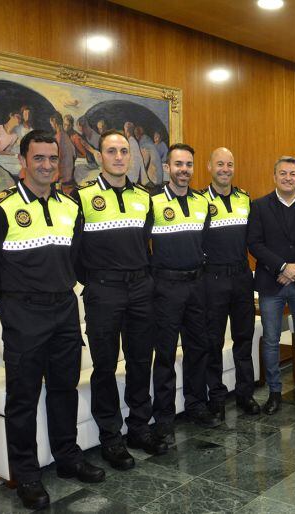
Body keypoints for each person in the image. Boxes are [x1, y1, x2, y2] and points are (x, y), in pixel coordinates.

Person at [0, 130, 104, 510]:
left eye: (52, 158)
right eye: (39, 158)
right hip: (24, 316)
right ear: (22, 161)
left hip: (64, 311)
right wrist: (15, 303)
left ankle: (67, 458)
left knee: (64, 389)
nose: (47, 165)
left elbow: (75, 260)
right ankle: (27, 475)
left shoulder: (70, 207)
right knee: (23, 398)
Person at [74, 129, 167, 472]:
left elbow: (147, 243)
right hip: (104, 291)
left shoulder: (145, 197)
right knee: (104, 367)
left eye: (123, 151)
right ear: (99, 156)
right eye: (111, 151)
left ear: (131, 156)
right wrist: (98, 280)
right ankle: (111, 437)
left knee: (141, 361)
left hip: (141, 289)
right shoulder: (81, 198)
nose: (118, 157)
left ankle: (140, 427)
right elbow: (74, 253)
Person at [150, 143, 221, 438]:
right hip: (165, 287)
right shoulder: (152, 202)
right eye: (178, 164)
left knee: (198, 348)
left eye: (188, 164)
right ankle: (164, 417)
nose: (184, 170)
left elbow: (205, 243)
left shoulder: (202, 202)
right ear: (167, 167)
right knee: (165, 353)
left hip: (196, 285)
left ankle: (196, 405)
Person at [248, 156, 295, 414]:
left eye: (293, 174)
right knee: (270, 339)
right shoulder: (259, 206)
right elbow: (254, 243)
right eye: (283, 173)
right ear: (274, 176)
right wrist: (281, 267)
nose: (288, 178)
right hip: (271, 283)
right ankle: (274, 392)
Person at [201, 147, 259, 420]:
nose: (225, 169)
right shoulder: (199, 201)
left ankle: (245, 394)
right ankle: (216, 398)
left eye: (230, 164)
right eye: (220, 164)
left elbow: (254, 239)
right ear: (209, 167)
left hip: (241, 277)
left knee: (244, 338)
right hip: (212, 279)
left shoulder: (244, 198)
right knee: (212, 341)